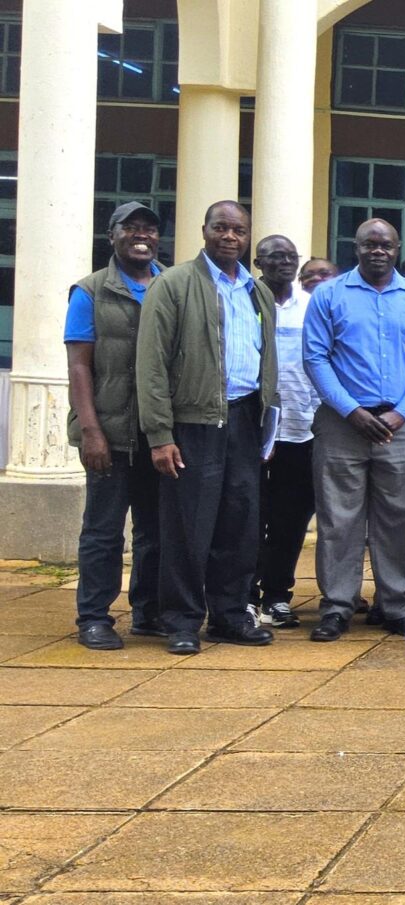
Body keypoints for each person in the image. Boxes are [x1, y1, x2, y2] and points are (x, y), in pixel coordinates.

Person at [133, 200, 277, 654]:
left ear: (247, 236)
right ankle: (181, 620)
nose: (229, 237)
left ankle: (231, 616)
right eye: (221, 228)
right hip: (192, 423)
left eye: (238, 230)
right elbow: (151, 365)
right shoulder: (173, 285)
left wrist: (266, 421)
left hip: (245, 418)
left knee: (240, 525)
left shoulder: (258, 293)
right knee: (187, 527)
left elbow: (266, 358)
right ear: (204, 230)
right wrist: (160, 435)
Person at [301, 219, 405, 642]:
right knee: (338, 520)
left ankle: (397, 606)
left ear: (397, 248)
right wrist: (350, 410)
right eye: (369, 244)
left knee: (402, 519)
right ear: (356, 247)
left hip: (400, 425)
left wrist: (402, 412)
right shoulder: (329, 295)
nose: (377, 251)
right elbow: (315, 358)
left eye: (385, 244)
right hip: (343, 423)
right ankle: (337, 607)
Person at [66, 201, 166, 650]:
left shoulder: (171, 286)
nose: (141, 235)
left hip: (158, 434)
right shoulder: (89, 291)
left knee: (155, 530)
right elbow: (79, 367)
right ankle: (93, 617)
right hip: (109, 432)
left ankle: (147, 612)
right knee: (104, 531)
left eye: (149, 228)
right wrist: (91, 430)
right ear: (112, 236)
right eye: (131, 227)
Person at [251, 234, 316, 629]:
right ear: (259, 263)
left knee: (290, 520)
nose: (284, 263)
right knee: (248, 516)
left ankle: (277, 595)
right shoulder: (245, 302)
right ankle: (244, 594)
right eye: (275, 256)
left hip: (300, 429)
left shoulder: (311, 308)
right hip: (252, 430)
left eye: (291, 256)